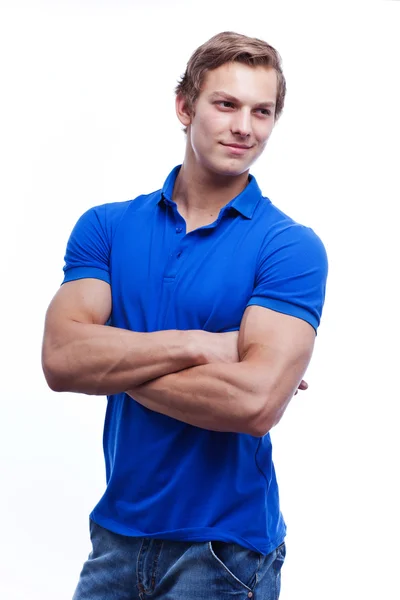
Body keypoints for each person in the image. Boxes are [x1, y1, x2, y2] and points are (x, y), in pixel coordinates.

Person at [42, 30, 328, 600]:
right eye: (226, 104)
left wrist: (115, 360)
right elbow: (61, 361)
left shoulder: (289, 246)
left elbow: (253, 403)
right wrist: (207, 344)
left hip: (225, 552)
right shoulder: (106, 227)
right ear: (184, 106)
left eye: (262, 111)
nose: (245, 126)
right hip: (115, 537)